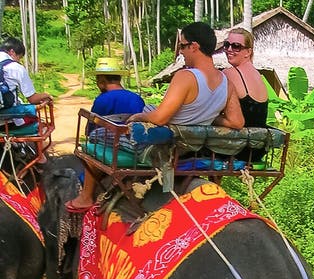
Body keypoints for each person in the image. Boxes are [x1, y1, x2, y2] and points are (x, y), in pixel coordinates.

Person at [67, 22, 244, 213]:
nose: (181, 52)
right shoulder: (226, 83)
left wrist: (138, 116)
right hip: (191, 147)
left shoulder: (186, 76)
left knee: (97, 135)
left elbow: (160, 118)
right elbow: (237, 122)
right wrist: (208, 116)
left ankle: (85, 197)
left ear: (194, 46)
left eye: (182, 46)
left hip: (160, 146)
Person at [217, 27, 268, 128]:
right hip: (258, 139)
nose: (229, 50)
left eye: (236, 46)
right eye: (227, 45)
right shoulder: (258, 75)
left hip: (240, 139)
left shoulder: (229, 73)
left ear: (248, 52)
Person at [0, 37, 52, 107]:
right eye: (19, 57)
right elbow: (32, 99)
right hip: (8, 113)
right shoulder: (16, 67)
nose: (18, 61)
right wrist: (46, 95)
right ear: (12, 52)